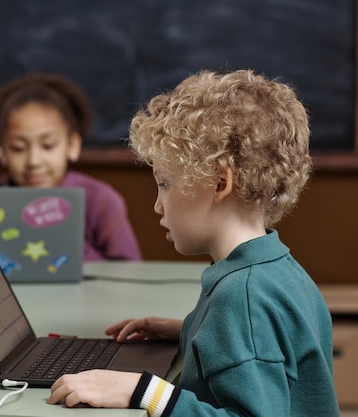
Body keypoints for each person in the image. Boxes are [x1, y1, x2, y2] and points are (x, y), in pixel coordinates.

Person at [47, 70, 340, 416]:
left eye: (166, 183)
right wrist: (191, 332)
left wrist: (145, 392)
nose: (157, 204)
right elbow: (268, 351)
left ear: (219, 183)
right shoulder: (279, 271)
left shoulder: (242, 298)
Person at [0, 72, 142, 261]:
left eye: (48, 146)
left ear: (72, 145)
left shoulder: (100, 200)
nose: (33, 161)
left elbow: (129, 268)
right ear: (3, 152)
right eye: (18, 148)